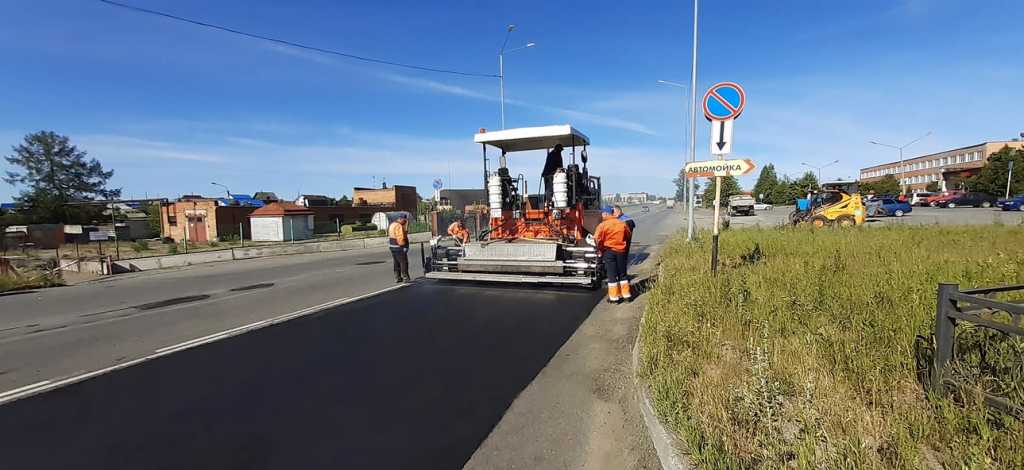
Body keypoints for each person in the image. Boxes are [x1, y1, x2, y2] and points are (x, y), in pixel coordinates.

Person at [594, 206, 632, 304]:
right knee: (622, 274)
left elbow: (597, 239)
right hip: (621, 251)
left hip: (609, 252)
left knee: (611, 275)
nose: (602, 215)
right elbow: (628, 235)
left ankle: (614, 298)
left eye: (602, 213)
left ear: (606, 214)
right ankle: (626, 295)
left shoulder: (602, 225)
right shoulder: (621, 223)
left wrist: (599, 249)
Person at [612, 205, 635, 275]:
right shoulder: (626, 218)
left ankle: (621, 275)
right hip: (624, 245)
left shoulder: (623, 220)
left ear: (618, 212)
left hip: (621, 245)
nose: (612, 214)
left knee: (621, 262)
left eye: (613, 212)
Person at [387, 213, 410, 283]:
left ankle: (397, 277)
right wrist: (404, 246)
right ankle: (405, 277)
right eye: (404, 220)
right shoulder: (398, 226)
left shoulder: (392, 224)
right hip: (399, 247)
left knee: (396, 262)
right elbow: (400, 238)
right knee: (403, 262)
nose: (405, 221)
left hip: (392, 247)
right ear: (401, 219)